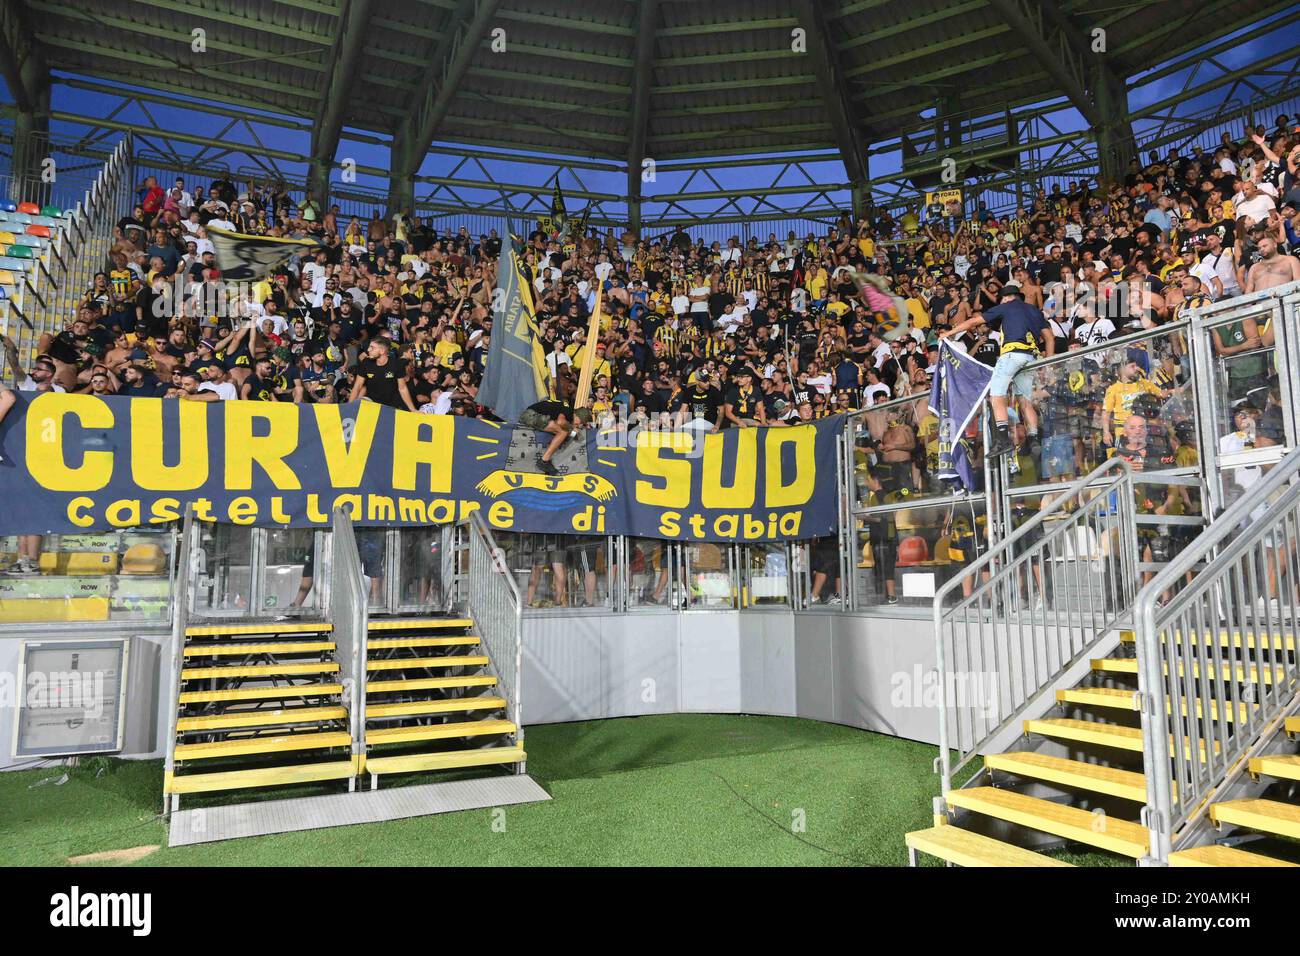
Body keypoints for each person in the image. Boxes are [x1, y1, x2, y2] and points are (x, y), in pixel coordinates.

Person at [941, 282, 1054, 457]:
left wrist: (947, 334)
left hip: (1011, 354)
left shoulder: (1007, 306)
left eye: (1003, 298)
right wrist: (1048, 363)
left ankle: (1003, 440)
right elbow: (1049, 338)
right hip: (1031, 357)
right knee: (1025, 400)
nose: (1002, 300)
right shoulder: (1034, 311)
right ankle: (1033, 439)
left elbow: (973, 321)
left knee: (996, 395)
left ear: (1008, 298)